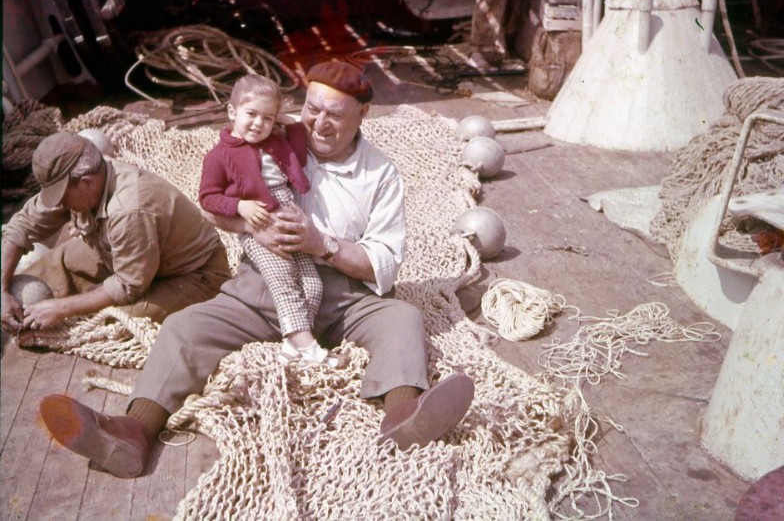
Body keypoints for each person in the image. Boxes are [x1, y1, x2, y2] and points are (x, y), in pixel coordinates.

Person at [37, 61, 475, 479]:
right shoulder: (269, 134)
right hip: (263, 285)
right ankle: (133, 432)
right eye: (312, 109)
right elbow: (214, 204)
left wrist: (321, 244)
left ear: (364, 114)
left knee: (402, 318)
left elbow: (384, 260)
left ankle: (404, 416)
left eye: (335, 115)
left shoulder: (381, 173)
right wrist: (248, 225)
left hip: (344, 295)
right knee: (184, 327)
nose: (319, 124)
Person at [0, 133, 231, 333]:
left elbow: (128, 286)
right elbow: (21, 226)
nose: (59, 204)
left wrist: (62, 309)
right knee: (54, 264)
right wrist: (2, 291)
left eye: (62, 197)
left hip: (192, 276)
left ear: (86, 183)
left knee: (111, 322)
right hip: (129, 258)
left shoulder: (129, 208)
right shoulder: (86, 179)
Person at [200, 73, 342, 369]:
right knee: (283, 281)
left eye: (267, 118)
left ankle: (292, 346)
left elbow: (299, 157)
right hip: (259, 225)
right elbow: (207, 197)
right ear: (232, 111)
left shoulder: (276, 142)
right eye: (251, 114)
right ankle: (311, 350)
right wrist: (239, 205)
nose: (258, 124)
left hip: (290, 217)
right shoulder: (219, 155)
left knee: (313, 285)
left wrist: (286, 121)